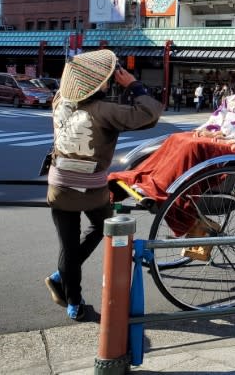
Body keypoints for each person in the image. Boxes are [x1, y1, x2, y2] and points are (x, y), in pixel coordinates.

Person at [45, 50, 163, 321]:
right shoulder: (105, 111)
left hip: (59, 185)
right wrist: (133, 84)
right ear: (97, 84)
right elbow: (150, 113)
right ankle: (61, 279)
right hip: (91, 189)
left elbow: (69, 85)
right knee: (101, 225)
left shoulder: (59, 101)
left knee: (68, 246)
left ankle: (73, 300)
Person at [109, 69, 235, 237]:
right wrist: (211, 130)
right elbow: (221, 118)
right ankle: (147, 179)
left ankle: (159, 186)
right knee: (177, 138)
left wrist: (231, 137)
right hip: (229, 137)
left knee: (191, 146)